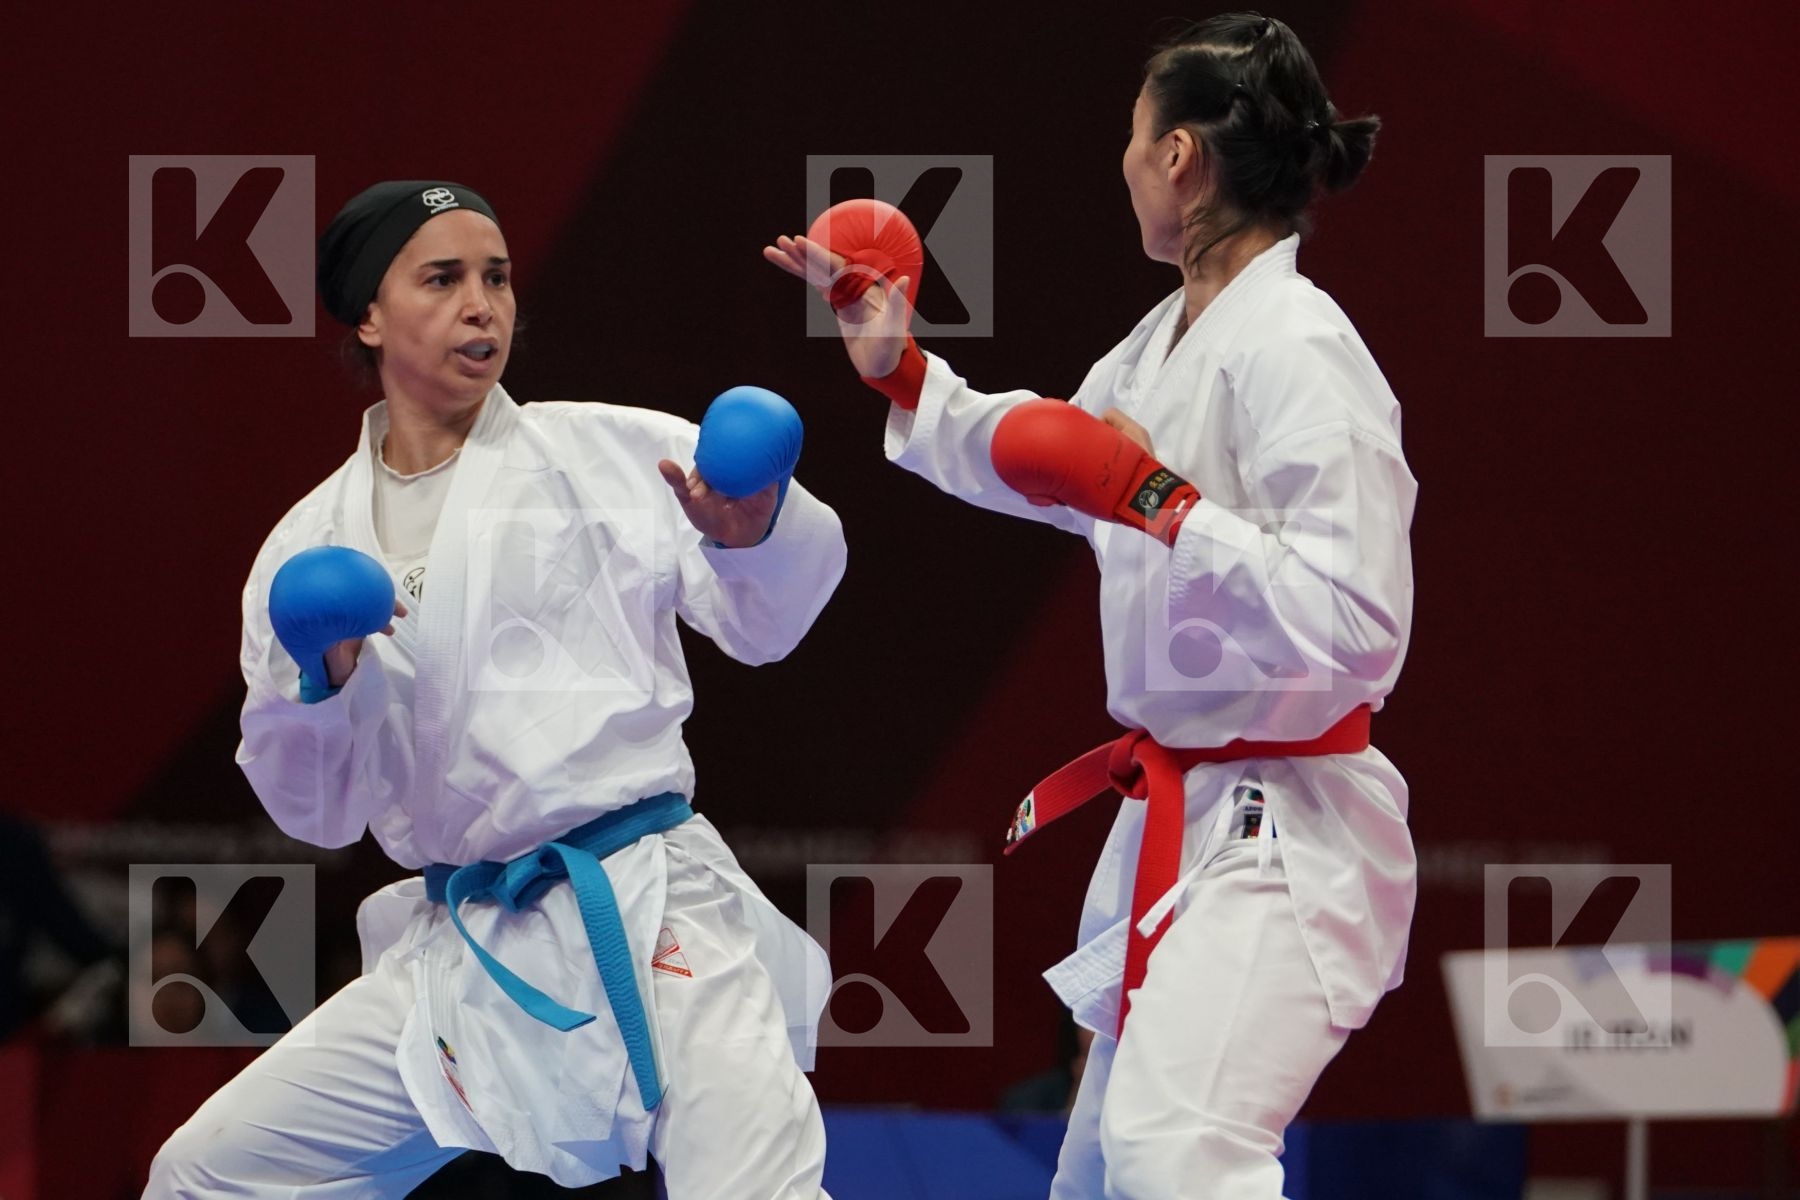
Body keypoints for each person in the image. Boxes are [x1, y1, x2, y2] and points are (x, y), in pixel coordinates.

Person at [767, 13, 1416, 1197]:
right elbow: (1054, 460)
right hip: (1183, 817)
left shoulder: (1302, 348)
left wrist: (1165, 503)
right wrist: (902, 367)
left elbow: (1361, 618)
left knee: (1180, 1154)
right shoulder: (1166, 339)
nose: (1122, 164)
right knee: (1104, 1173)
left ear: (1178, 155)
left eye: (1132, 136)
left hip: (1291, 823)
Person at [148, 179, 846, 1198]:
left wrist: (752, 538)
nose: (485, 304)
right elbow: (320, 811)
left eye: (498, 277)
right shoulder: (309, 543)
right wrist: (328, 678)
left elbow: (767, 626)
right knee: (210, 1174)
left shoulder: (611, 453)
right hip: (469, 938)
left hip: (650, 906)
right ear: (372, 316)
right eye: (444, 278)